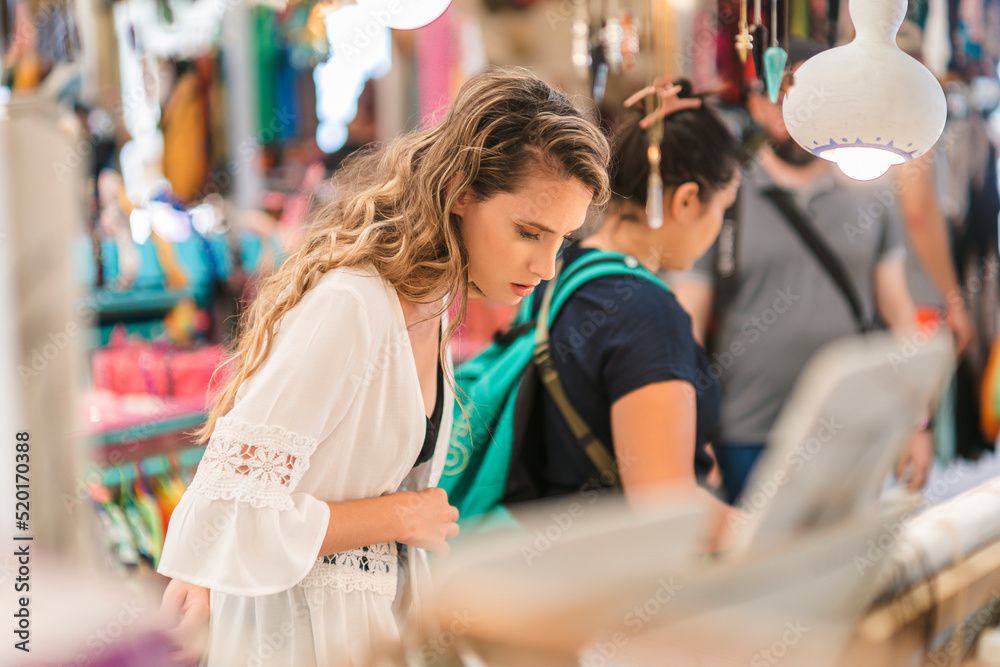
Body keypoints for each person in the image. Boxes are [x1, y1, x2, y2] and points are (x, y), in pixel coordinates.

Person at [156, 66, 611, 667]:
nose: (547, 265)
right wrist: (398, 516)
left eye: (562, 240)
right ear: (460, 191)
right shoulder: (353, 306)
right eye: (529, 232)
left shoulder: (428, 307)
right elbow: (230, 513)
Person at [668, 41, 928, 504]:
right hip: (747, 432)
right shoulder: (724, 200)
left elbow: (898, 315)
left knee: (850, 567)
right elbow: (685, 324)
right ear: (756, 103)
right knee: (757, 572)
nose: (798, 110)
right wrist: (687, 433)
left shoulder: (870, 191)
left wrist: (915, 420)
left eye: (814, 94)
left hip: (853, 430)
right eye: (783, 94)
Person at [524, 80, 740, 511]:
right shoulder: (647, 312)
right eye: (724, 207)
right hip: (617, 570)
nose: (720, 227)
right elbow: (666, 511)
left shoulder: (560, 271)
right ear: (686, 201)